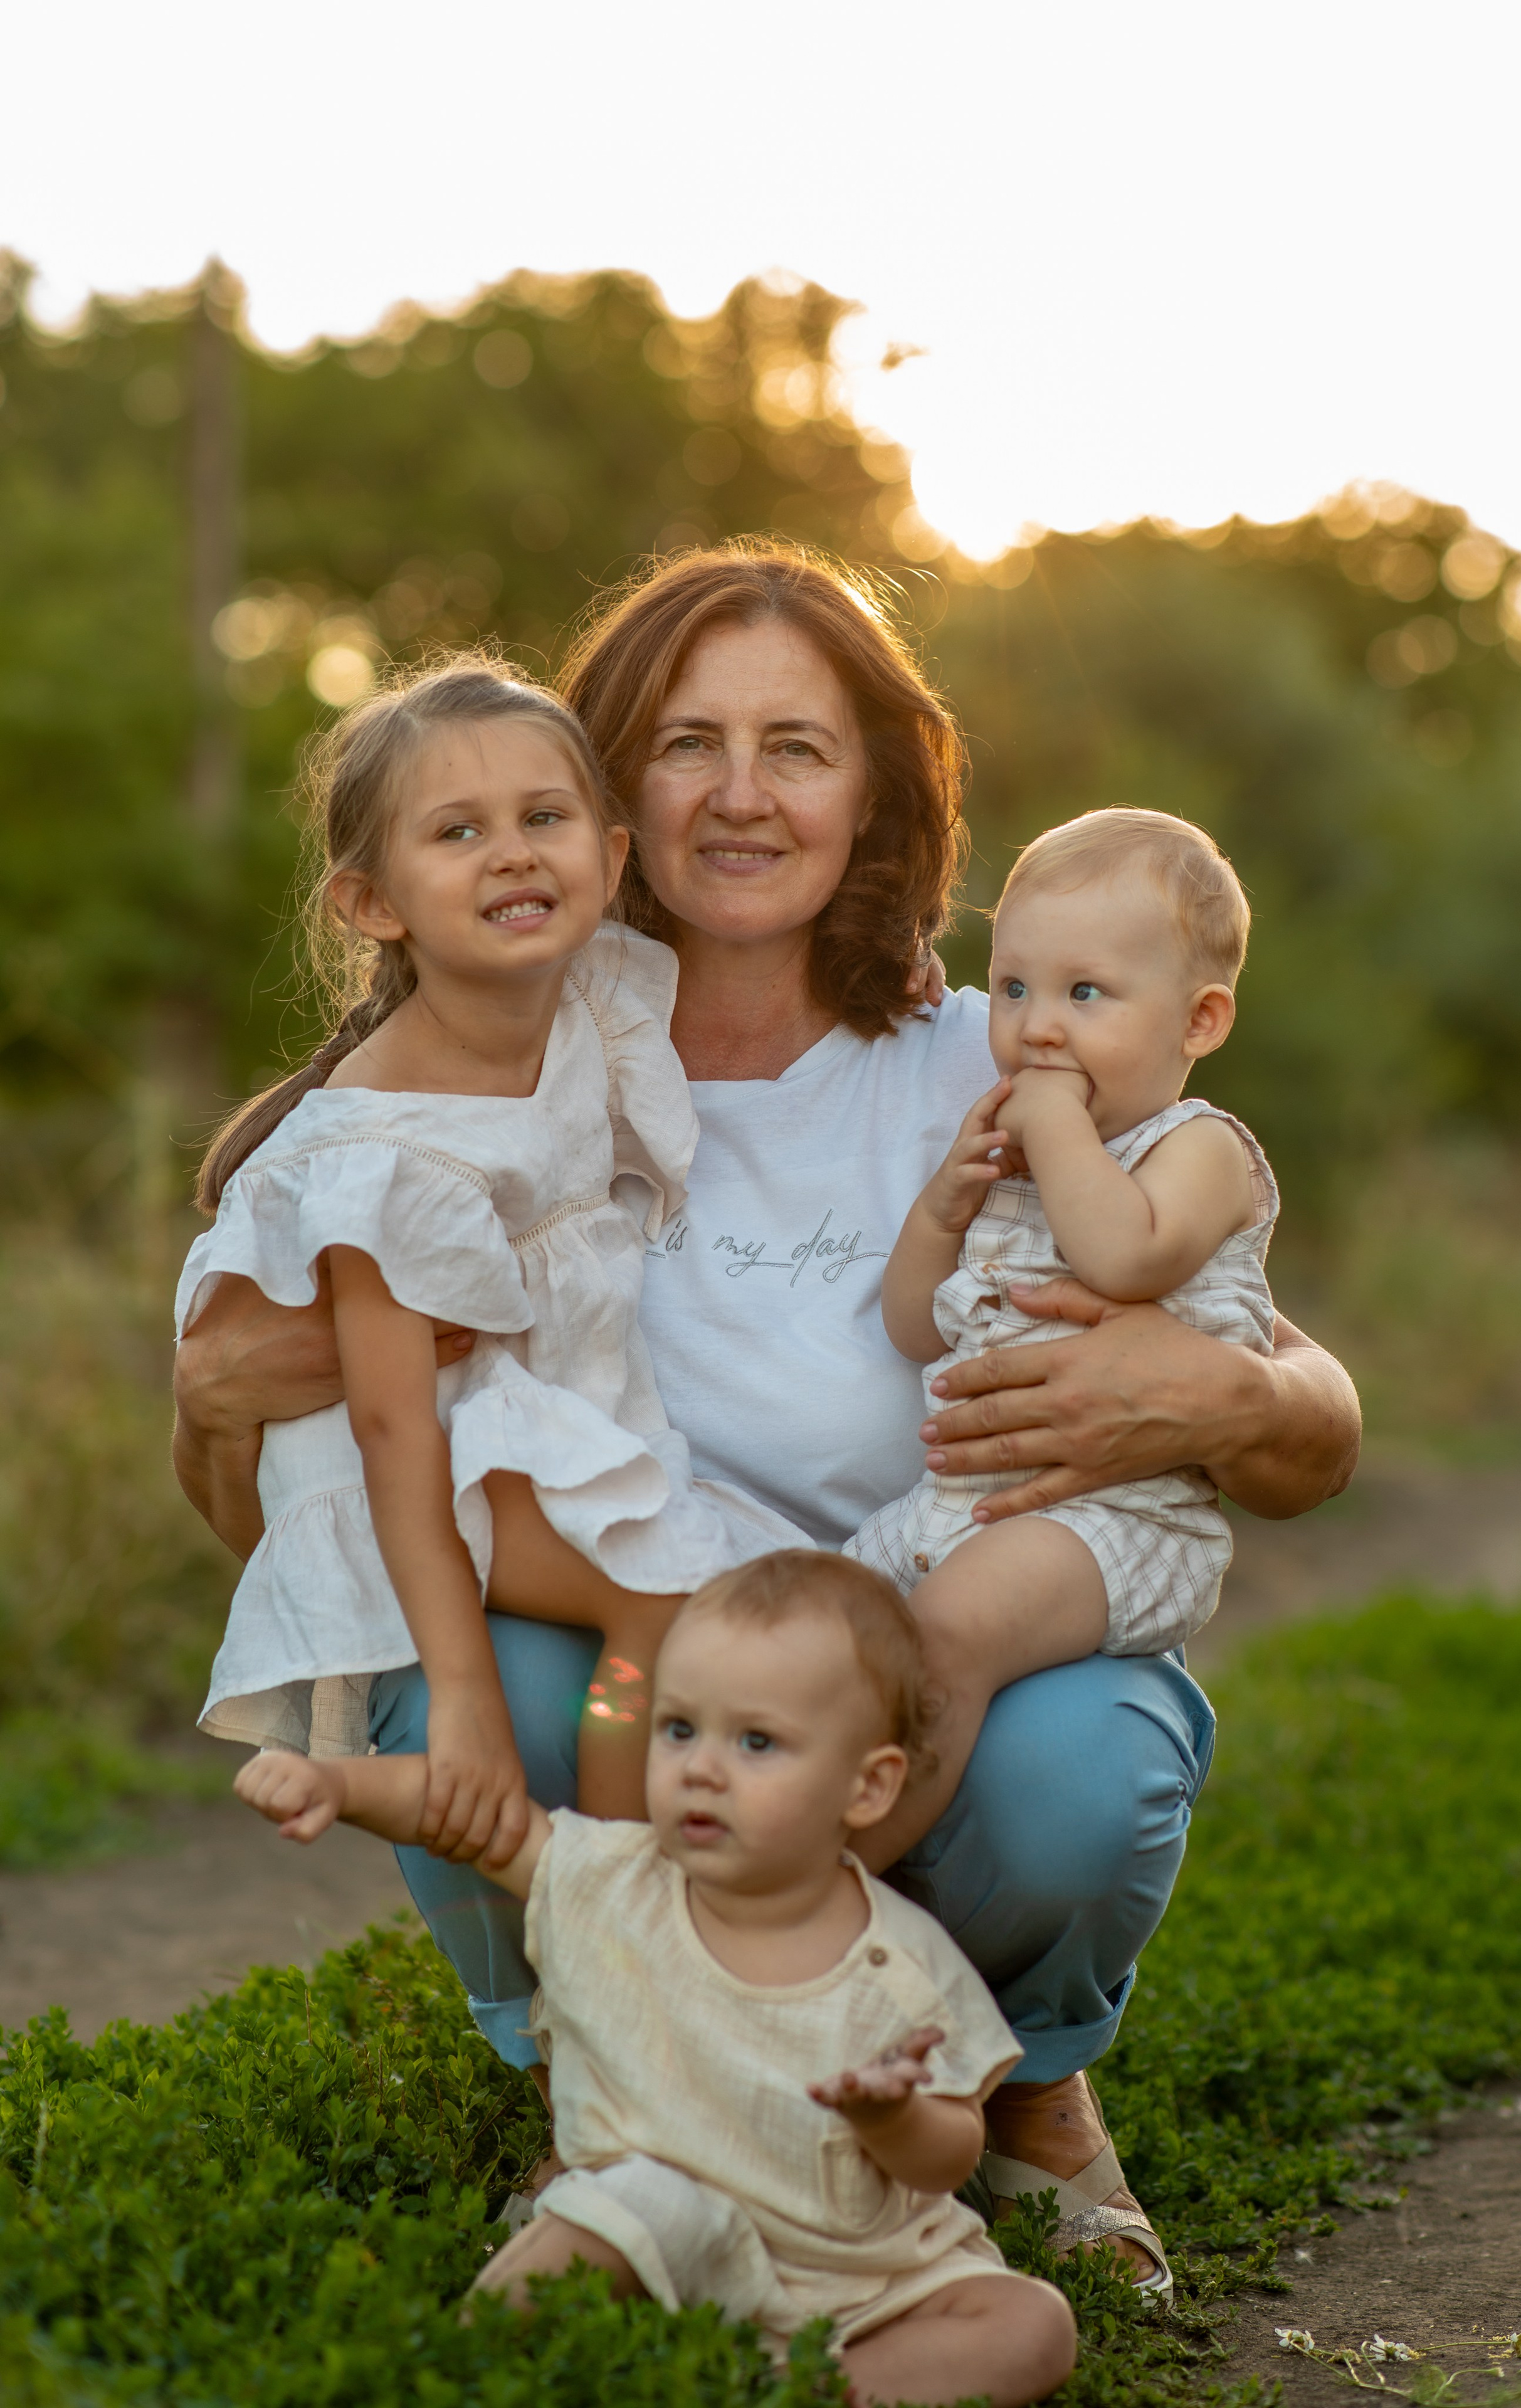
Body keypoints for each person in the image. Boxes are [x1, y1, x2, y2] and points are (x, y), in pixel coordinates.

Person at [174, 540, 1360, 2293]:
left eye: (796, 747)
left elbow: (1313, 1418)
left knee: (1076, 1770)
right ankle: (628, 2085)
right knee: (471, 1681)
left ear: (874, 789)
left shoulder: (1003, 1048)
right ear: (605, 785)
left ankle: (1020, 2092)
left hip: (934, 1630)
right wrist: (247, 1377)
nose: (740, 796)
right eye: (686, 744)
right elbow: (253, 1453)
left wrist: (1232, 1390)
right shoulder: (506, 1056)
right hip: (656, 1669)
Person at [179, 657, 806, 1832]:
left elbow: (776, 950)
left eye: (545, 819)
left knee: (763, 1620)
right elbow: (390, 1426)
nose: (514, 853)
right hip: (417, 1480)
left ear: (612, 860)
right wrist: (461, 1688)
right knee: (678, 1615)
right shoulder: (385, 1153)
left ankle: (676, 1870)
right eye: (458, 831)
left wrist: (905, 951)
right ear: (374, 905)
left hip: (527, 1435)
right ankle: (615, 1886)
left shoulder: (590, 994)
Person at [235, 1553, 1078, 2408]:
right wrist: (338, 1781)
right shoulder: (615, 1879)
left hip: (864, 2283)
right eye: (680, 1729)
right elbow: (468, 1819)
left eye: (756, 1742)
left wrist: (893, 2117)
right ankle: (470, 2363)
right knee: (604, 2218)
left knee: (1033, 2323)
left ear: (868, 1786)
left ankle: (796, 2385)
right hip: (661, 2237)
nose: (702, 1768)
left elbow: (951, 2154)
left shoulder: (900, 1964)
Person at [848, 808, 1276, 1872]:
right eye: (1014, 988)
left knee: (943, 1640)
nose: (1039, 1027)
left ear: (1200, 1020)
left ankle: (824, 1895)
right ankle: (752, 1869)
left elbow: (1125, 1261)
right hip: (960, 1507)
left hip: (1116, 1517)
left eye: (1085, 994)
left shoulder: (1202, 1150)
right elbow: (912, 1328)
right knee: (819, 1631)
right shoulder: (1016, 1159)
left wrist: (1050, 1128)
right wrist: (944, 1211)